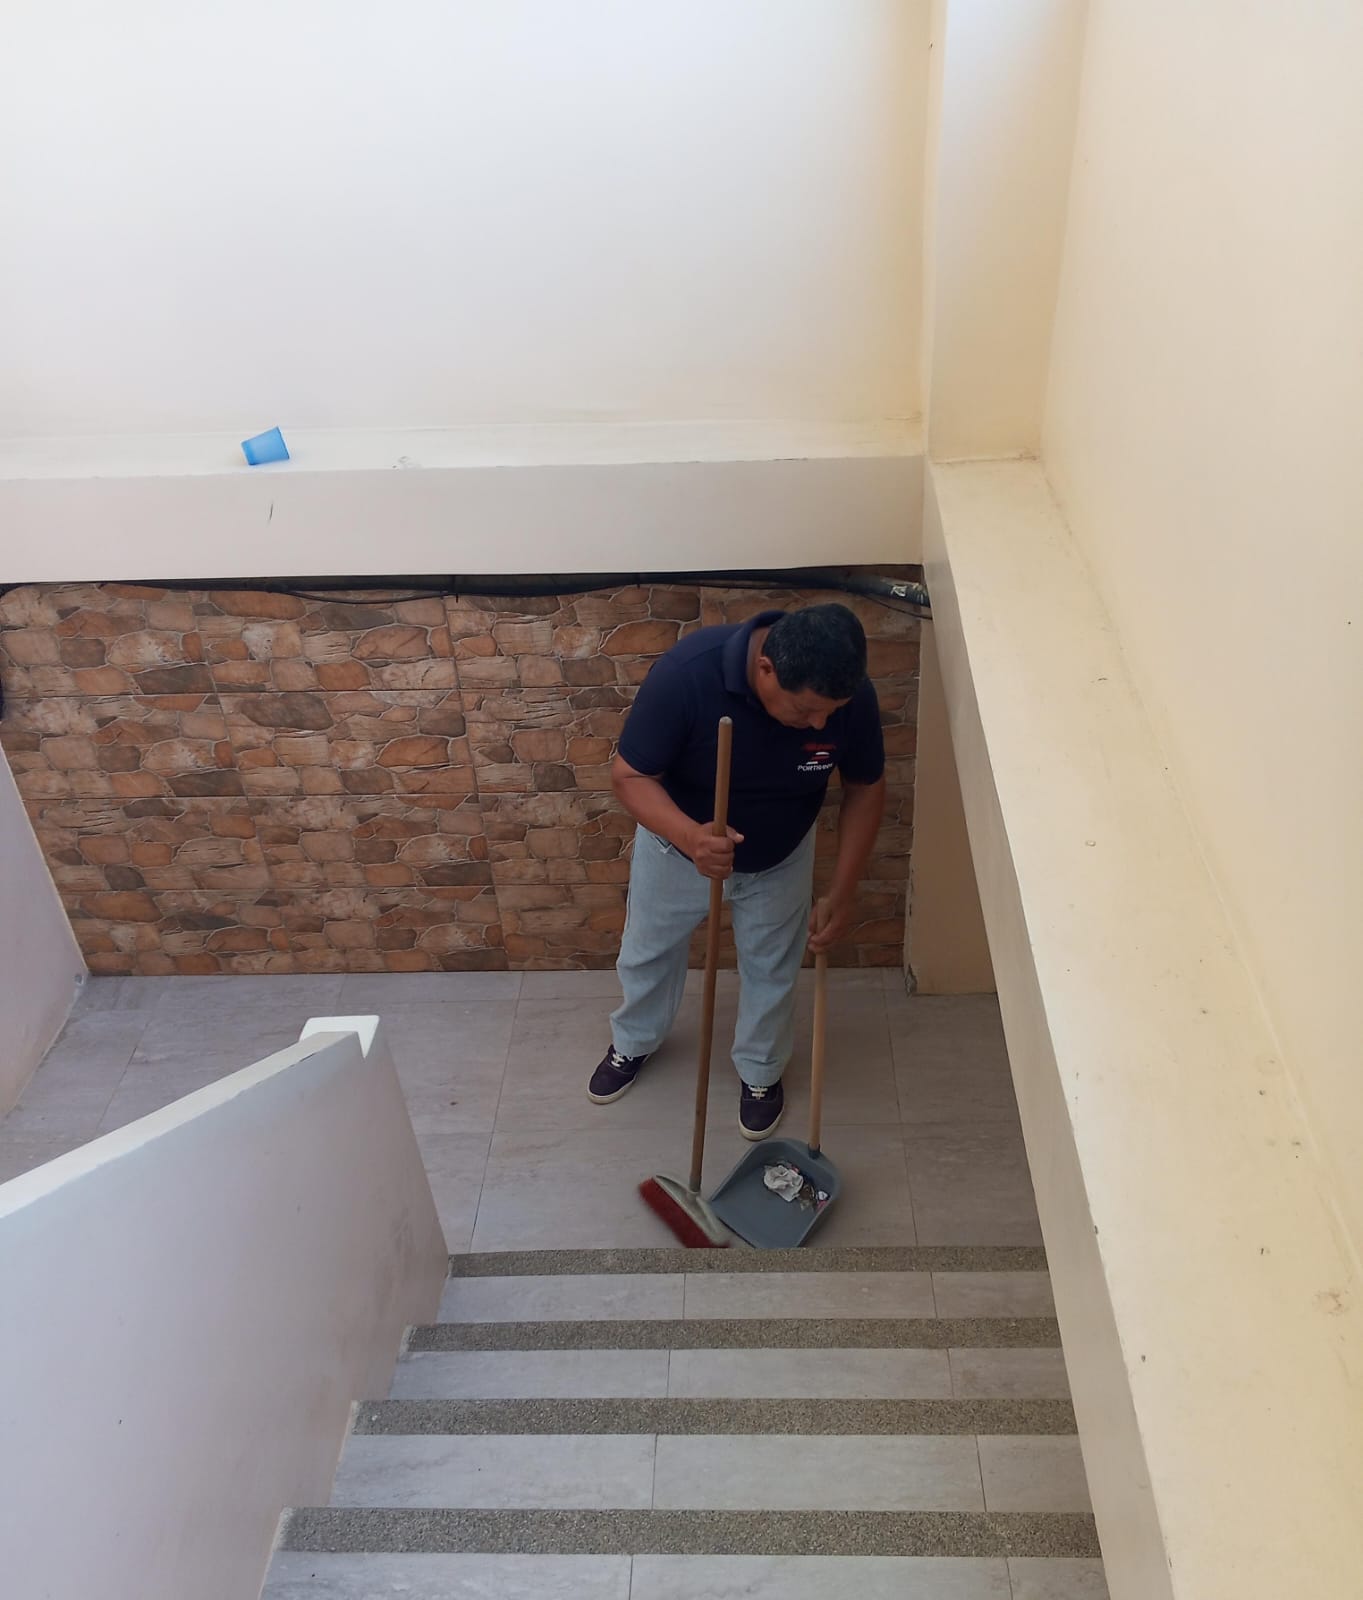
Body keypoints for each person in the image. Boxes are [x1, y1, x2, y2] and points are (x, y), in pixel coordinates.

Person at [588, 602, 886, 1138]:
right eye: (807, 710)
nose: (820, 724)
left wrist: (842, 892)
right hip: (677, 848)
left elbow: (864, 788)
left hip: (782, 854)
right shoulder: (686, 675)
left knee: (772, 969)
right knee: (647, 953)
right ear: (766, 669)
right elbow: (629, 776)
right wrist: (691, 837)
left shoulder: (849, 695)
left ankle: (761, 1072)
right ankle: (633, 1042)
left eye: (831, 712)